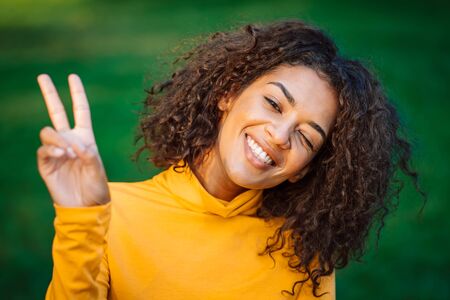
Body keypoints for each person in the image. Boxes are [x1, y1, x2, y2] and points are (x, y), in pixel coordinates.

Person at [37, 20, 422, 299]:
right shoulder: (107, 216)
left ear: (303, 169)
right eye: (273, 103)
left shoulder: (302, 254)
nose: (279, 135)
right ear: (227, 94)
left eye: (306, 136)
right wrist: (81, 222)